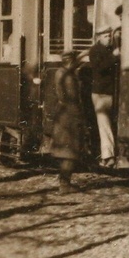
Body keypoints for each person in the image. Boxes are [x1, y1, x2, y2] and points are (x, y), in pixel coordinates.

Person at [50, 49, 85, 193]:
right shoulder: (69, 77)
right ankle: (65, 185)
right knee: (70, 151)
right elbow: (73, 98)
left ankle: (64, 183)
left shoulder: (59, 72)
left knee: (65, 152)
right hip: (70, 116)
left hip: (62, 114)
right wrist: (80, 117)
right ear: (70, 62)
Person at [88, 23, 119, 169]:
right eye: (106, 36)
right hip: (100, 94)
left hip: (110, 93)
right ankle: (108, 157)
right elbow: (100, 68)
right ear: (99, 38)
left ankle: (109, 156)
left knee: (107, 125)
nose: (109, 39)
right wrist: (114, 57)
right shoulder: (95, 50)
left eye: (109, 36)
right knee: (104, 125)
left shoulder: (109, 49)